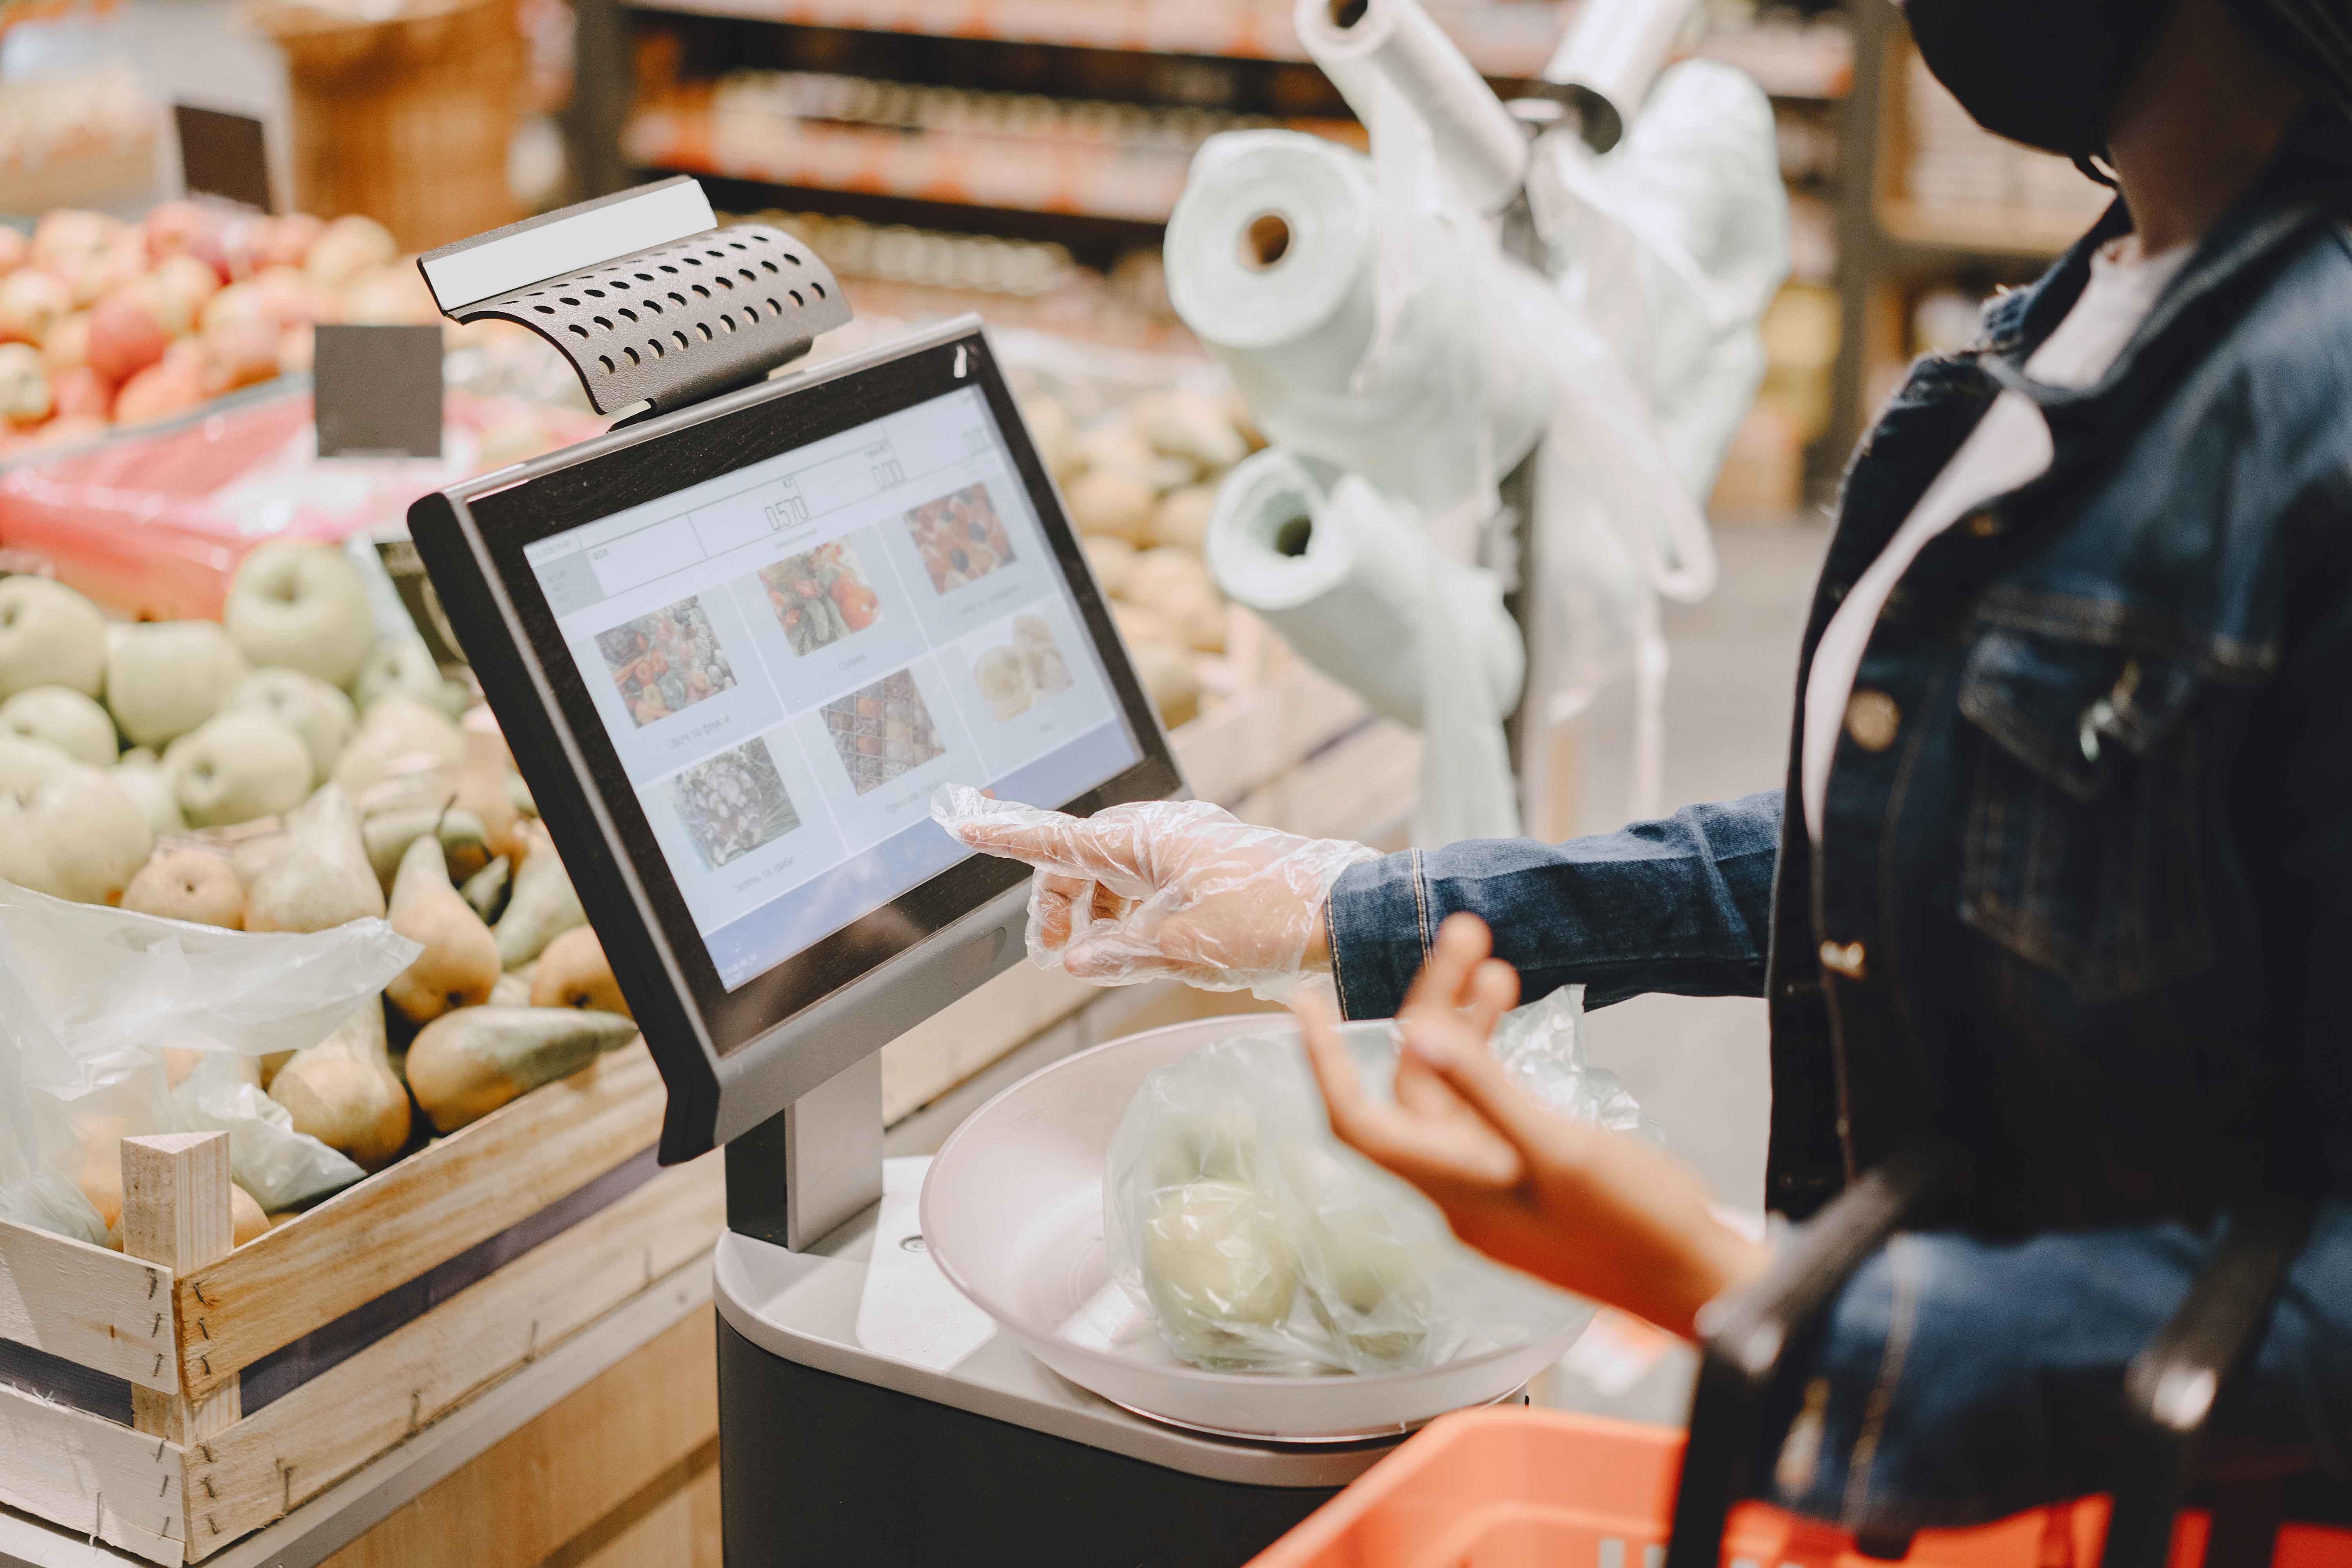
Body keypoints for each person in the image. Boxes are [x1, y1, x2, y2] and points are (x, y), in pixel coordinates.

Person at [946, 0, 2352, 1529]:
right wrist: (1351, 904)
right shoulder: (2114, 297)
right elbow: (1948, 839)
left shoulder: (2318, 413)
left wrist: (1719, 1278)